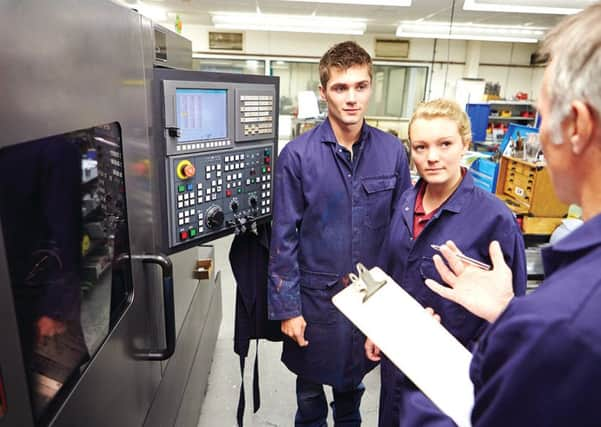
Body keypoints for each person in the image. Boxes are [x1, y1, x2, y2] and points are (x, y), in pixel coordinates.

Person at [422, 3, 601, 425]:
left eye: (543, 113)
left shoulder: (559, 323)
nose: (538, 133)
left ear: (575, 125)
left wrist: (423, 355)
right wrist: (506, 312)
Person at [267, 40, 411, 426]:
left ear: (371, 87)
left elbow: (403, 233)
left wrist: (395, 309)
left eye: (360, 86)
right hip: (314, 302)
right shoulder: (297, 157)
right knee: (310, 397)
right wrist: (288, 310)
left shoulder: (392, 152)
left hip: (370, 299)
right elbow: (283, 237)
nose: (351, 98)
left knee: (352, 395)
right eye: (340, 88)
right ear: (323, 92)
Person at [364, 99, 526, 426]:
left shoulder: (494, 219)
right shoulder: (406, 202)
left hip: (452, 371)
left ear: (466, 144)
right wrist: (377, 328)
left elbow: (512, 312)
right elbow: (388, 271)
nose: (432, 157)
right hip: (399, 359)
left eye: (445, 144)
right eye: (421, 147)